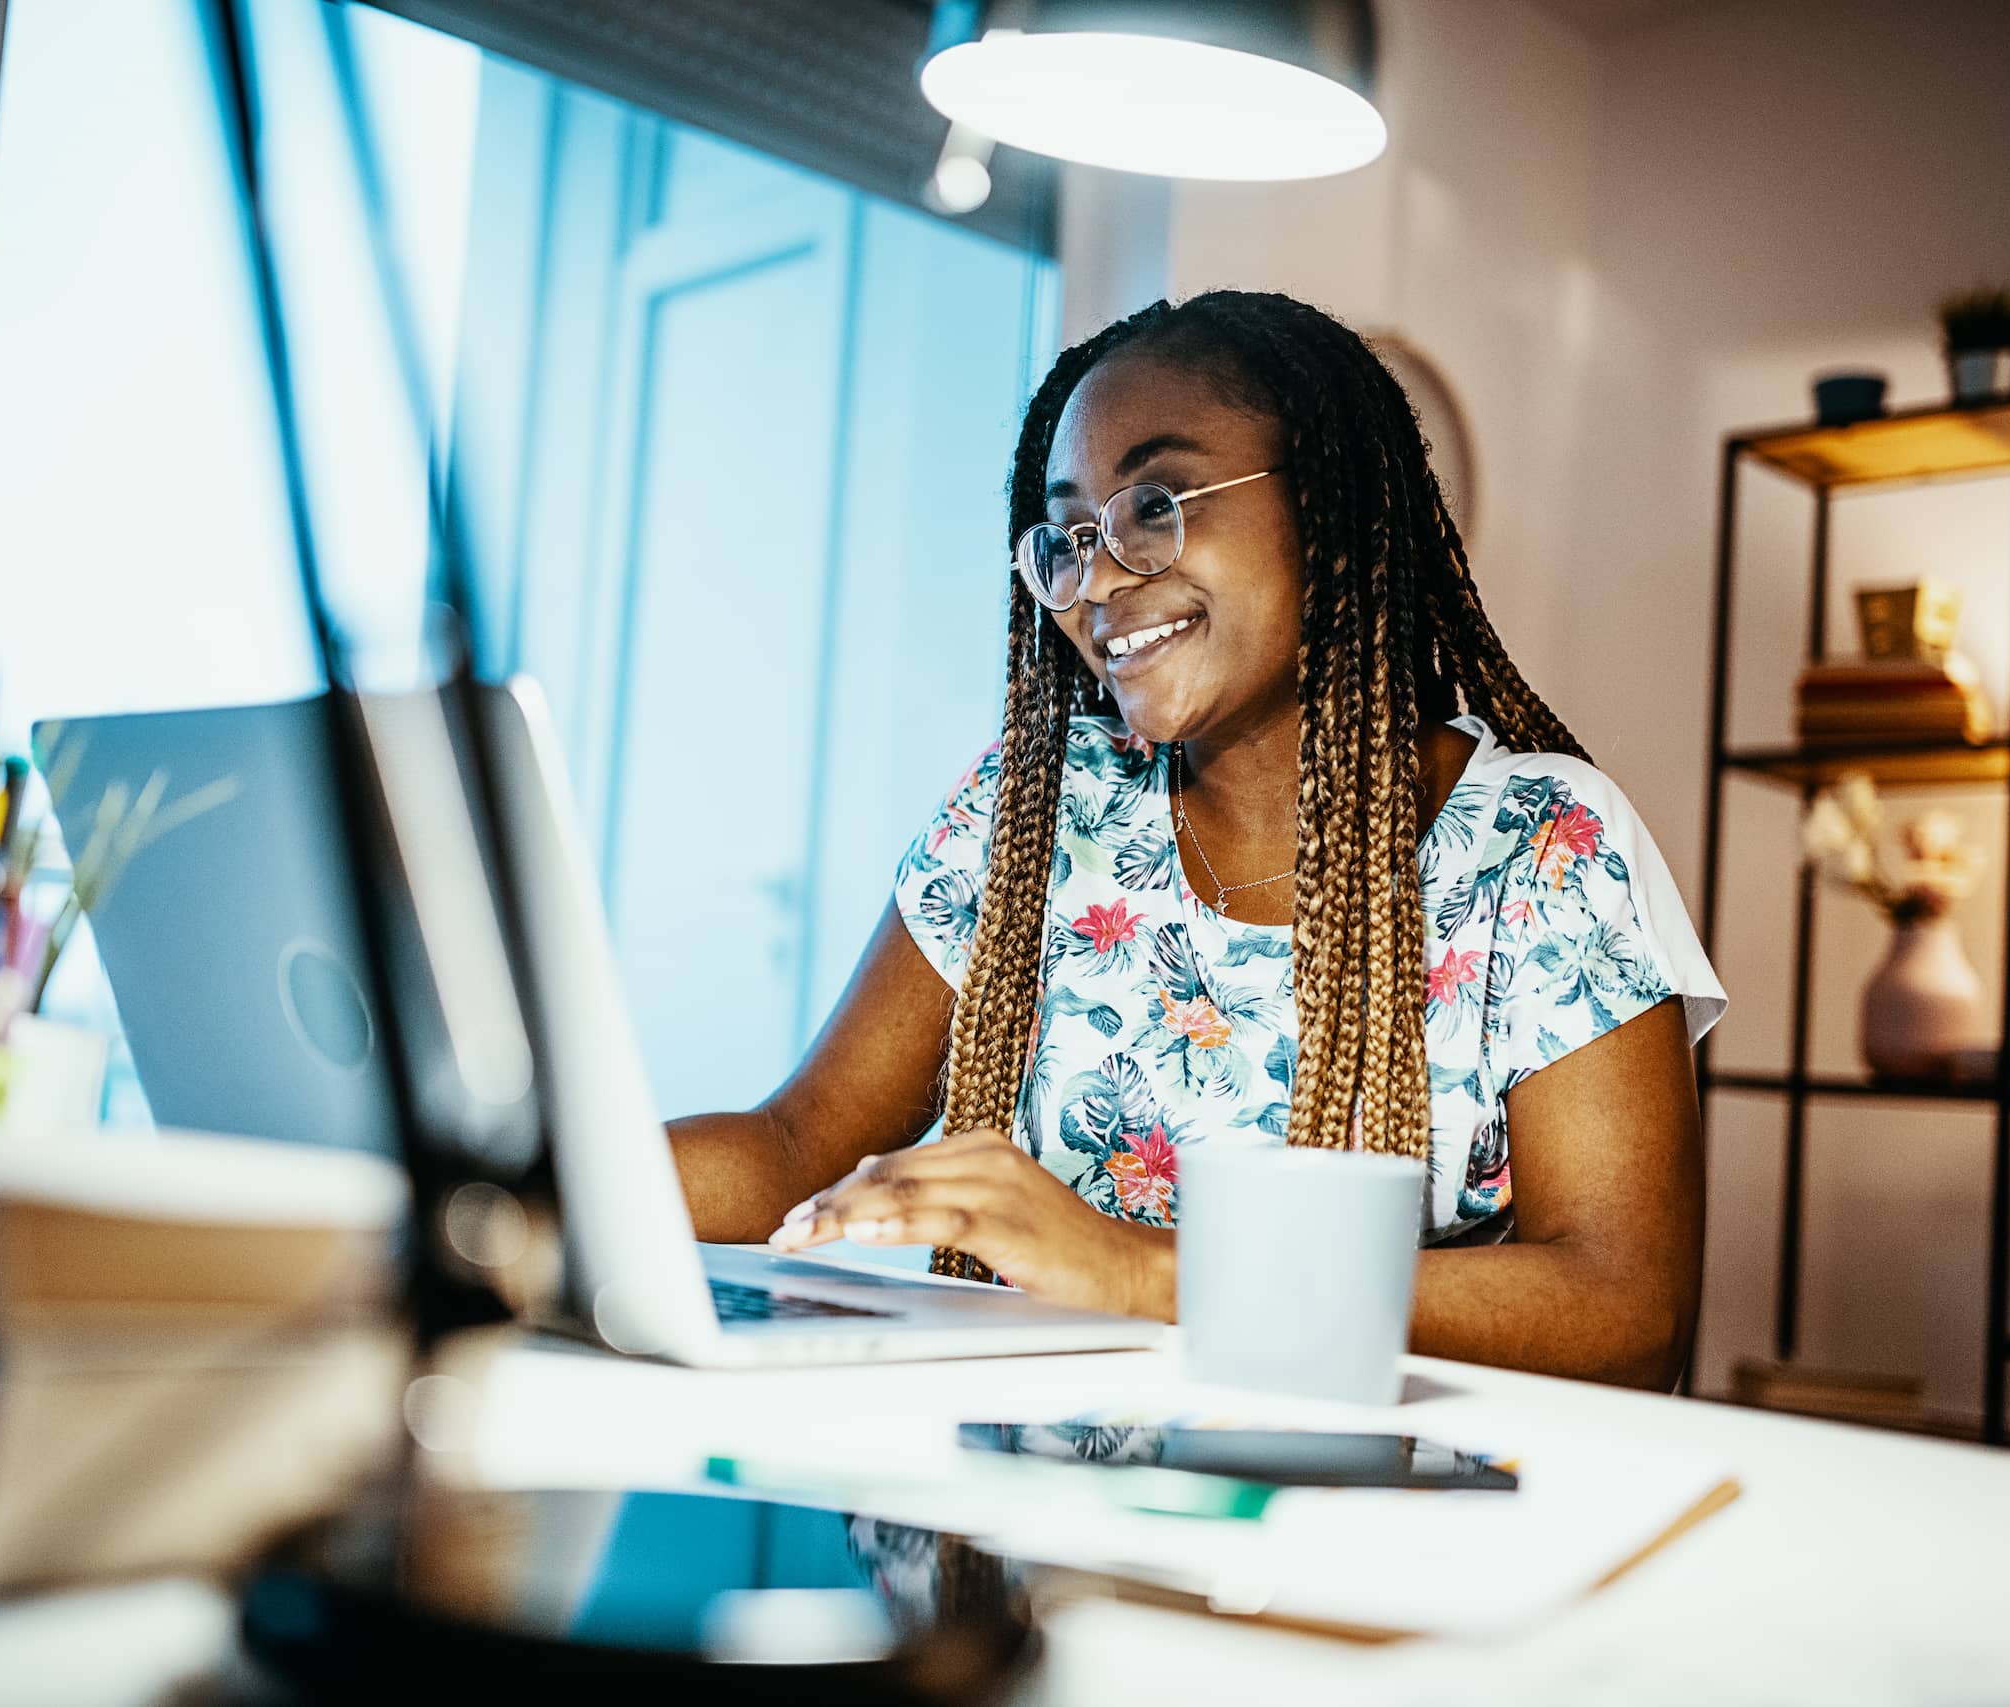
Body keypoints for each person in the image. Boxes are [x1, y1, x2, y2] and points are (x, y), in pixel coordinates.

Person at [668, 291, 1723, 1390]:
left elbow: (1622, 1305)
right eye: (1067, 537)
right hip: (1026, 1495)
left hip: (1356, 1512)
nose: (1102, 579)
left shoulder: (1537, 844)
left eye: (1154, 505)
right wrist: (526, 1176)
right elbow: (794, 1148)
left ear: (1330, 509)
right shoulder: (1036, 810)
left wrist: (1138, 1270)